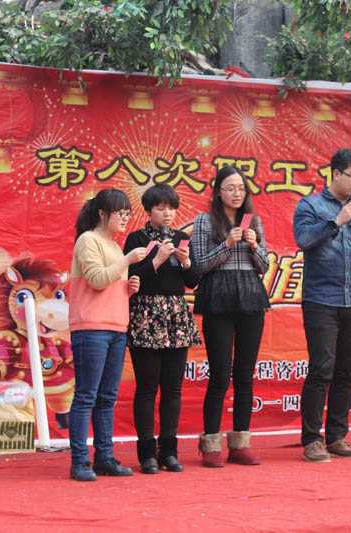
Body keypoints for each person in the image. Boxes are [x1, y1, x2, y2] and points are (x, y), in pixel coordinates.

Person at [293, 148, 351, 463]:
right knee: (322, 368)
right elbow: (303, 240)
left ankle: (337, 436)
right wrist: (336, 221)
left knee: (346, 370)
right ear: (335, 173)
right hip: (321, 299)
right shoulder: (310, 206)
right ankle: (311, 438)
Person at [191, 165, 270, 467]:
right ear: (218, 191)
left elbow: (264, 265)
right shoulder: (204, 221)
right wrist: (227, 244)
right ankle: (211, 443)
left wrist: (253, 244)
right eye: (230, 188)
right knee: (220, 373)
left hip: (250, 295)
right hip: (218, 297)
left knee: (245, 374)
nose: (237, 193)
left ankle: (240, 443)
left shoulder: (254, 221)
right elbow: (199, 265)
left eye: (241, 188)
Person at [68, 188, 147, 481]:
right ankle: (80, 461)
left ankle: (104, 457)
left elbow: (108, 284)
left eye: (127, 213)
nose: (125, 218)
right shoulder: (88, 240)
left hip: (116, 327)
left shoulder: (114, 246)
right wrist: (127, 261)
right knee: (86, 395)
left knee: (107, 397)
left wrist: (128, 288)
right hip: (91, 327)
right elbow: (97, 280)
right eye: (120, 213)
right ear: (102, 214)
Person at [124, 184, 200, 474]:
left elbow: (192, 281)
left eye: (171, 208)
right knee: (147, 387)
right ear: (149, 211)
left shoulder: (181, 238)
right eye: (160, 208)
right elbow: (130, 276)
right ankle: (147, 453)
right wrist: (156, 260)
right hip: (146, 313)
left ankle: (169, 451)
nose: (167, 213)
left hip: (176, 315)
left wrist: (186, 261)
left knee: (173, 388)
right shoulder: (137, 239)